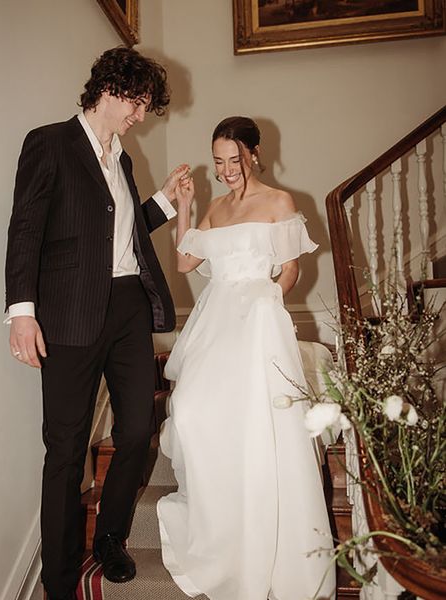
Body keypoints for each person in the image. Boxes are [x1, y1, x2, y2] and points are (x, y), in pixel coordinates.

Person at [5, 47, 189, 600]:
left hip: (128, 306)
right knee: (65, 450)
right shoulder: (50, 143)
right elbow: (26, 231)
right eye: (138, 105)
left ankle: (109, 538)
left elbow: (121, 230)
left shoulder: (122, 158)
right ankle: (60, 582)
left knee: (136, 428)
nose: (141, 117)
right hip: (68, 314)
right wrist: (21, 312)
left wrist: (168, 202)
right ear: (110, 89)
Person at [157, 116, 336, 600]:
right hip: (215, 319)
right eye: (218, 161)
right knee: (192, 413)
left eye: (233, 159)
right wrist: (186, 207)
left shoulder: (279, 202)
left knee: (258, 425)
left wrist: (267, 304)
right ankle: (219, 523)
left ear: (254, 154)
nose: (226, 169)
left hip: (259, 319)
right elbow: (185, 262)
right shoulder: (214, 206)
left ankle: (264, 534)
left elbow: (292, 269)